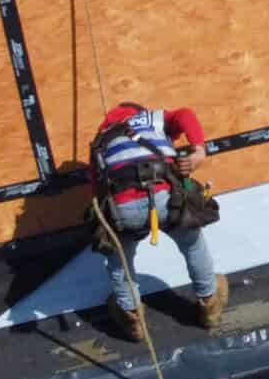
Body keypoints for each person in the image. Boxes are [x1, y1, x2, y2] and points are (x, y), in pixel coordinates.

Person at [89, 102, 227, 339]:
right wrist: (198, 150)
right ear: (139, 112)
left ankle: (131, 317)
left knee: (119, 255)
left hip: (123, 207)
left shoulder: (100, 142)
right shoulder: (154, 119)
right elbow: (185, 114)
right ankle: (209, 304)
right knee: (192, 242)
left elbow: (97, 189)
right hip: (165, 196)